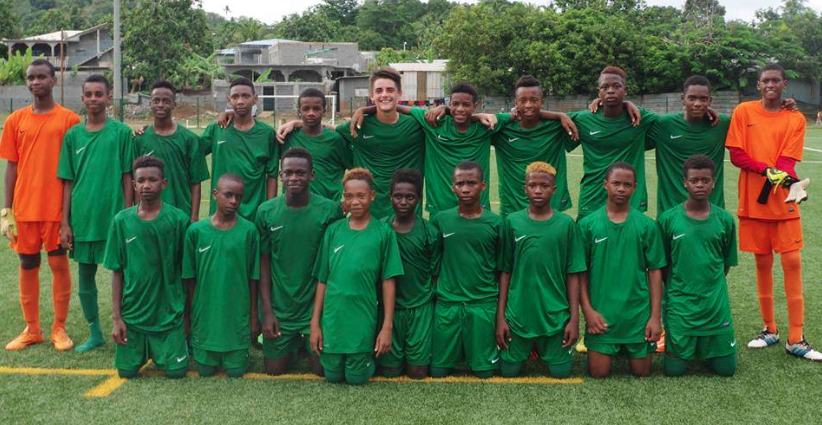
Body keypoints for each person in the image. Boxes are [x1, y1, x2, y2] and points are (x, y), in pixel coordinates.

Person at [726, 63, 821, 361]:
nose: (770, 84)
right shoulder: (743, 112)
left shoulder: (796, 119)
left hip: (784, 204)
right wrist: (766, 171)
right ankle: (769, 329)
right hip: (753, 204)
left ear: (784, 84)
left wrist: (781, 177)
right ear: (758, 85)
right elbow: (737, 155)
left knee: (792, 263)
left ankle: (796, 338)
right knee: (762, 264)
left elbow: (788, 161)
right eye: (765, 80)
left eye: (775, 80)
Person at [1, 59, 80, 351]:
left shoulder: (69, 120)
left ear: (53, 80)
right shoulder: (15, 120)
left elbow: (75, 171)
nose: (36, 82)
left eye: (42, 77)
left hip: (56, 210)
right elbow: (11, 167)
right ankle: (32, 329)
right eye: (31, 77)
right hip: (25, 209)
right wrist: (6, 211)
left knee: (58, 264)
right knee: (27, 264)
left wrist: (68, 215)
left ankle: (59, 328)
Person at [278, 67, 425, 219]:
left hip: (407, 207)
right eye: (379, 90)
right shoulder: (359, 126)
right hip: (370, 209)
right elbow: (333, 128)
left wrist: (365, 109)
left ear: (400, 93)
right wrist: (297, 123)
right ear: (372, 96)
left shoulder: (417, 125)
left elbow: (435, 115)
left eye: (390, 90)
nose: (384, 94)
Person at [57, 74, 135, 352]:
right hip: (83, 219)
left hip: (114, 218)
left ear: (108, 97)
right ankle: (95, 333)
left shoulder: (121, 133)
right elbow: (67, 182)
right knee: (85, 278)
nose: (93, 99)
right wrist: (65, 223)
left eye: (98, 94)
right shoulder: (72, 136)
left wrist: (129, 216)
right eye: (88, 94)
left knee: (125, 275)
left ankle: (128, 327)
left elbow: (128, 176)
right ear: (82, 99)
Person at [310, 168, 403, 385]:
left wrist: (387, 326)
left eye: (361, 196)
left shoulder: (383, 233)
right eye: (349, 196)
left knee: (356, 378)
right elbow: (322, 279)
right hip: (333, 317)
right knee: (332, 376)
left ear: (372, 196)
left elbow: (388, 281)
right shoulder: (333, 231)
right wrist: (315, 323)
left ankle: (368, 362)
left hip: (362, 315)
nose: (355, 202)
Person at [256, 147, 344, 376]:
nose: (294, 178)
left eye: (300, 173)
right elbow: (263, 263)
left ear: (311, 175)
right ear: (280, 175)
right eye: (288, 173)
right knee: (274, 370)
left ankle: (304, 339)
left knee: (322, 371)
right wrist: (267, 311)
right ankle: (294, 344)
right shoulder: (266, 212)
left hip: (315, 308)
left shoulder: (330, 211)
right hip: (281, 308)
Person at [497, 162, 585, 378]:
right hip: (519, 314)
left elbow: (573, 274)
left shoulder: (566, 224)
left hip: (555, 314)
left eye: (544, 186)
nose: (538, 190)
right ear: (524, 188)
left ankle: (543, 347)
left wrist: (574, 319)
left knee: (561, 373)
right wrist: (501, 317)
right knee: (508, 372)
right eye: (532, 185)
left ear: (554, 190)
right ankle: (529, 348)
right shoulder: (512, 222)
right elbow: (505, 271)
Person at [105, 156, 190, 379]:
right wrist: (117, 318)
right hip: (133, 317)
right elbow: (116, 271)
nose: (146, 185)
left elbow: (188, 273)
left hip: (169, 317)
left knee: (177, 373)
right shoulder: (121, 221)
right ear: (134, 185)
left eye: (152, 180)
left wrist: (187, 318)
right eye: (141, 181)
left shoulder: (178, 220)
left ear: (164, 183)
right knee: (125, 373)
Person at [579, 162, 666, 378]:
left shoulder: (647, 225)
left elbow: (655, 272)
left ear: (635, 188)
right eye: (616, 183)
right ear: (605, 184)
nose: (621, 189)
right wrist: (588, 312)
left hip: (637, 317)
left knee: (642, 372)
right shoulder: (588, 225)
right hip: (602, 317)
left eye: (627, 185)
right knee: (598, 373)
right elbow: (580, 273)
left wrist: (655, 317)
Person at [657, 155, 738, 377]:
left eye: (705, 180)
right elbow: (662, 265)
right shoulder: (668, 219)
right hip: (681, 307)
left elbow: (725, 264)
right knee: (673, 371)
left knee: (726, 370)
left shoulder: (725, 220)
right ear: (685, 183)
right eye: (694, 180)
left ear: (713, 182)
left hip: (715, 306)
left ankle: (712, 346)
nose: (700, 185)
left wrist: (710, 285)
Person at [183, 173, 260, 378]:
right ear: (215, 194)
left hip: (236, 317)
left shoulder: (249, 231)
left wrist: (254, 315)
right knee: (205, 370)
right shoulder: (196, 231)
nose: (234, 201)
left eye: (238, 197)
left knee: (236, 371)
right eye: (228, 195)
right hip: (205, 317)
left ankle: (238, 348)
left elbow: (253, 278)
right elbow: (189, 279)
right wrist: (189, 316)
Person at [430, 161, 502, 378]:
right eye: (460, 183)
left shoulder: (497, 223)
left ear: (483, 185)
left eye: (471, 183)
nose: (465, 189)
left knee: (485, 373)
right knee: (438, 371)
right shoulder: (441, 220)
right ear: (452, 187)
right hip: (448, 304)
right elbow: (435, 263)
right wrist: (442, 292)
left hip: (482, 303)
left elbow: (501, 269)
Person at [567, 66, 657, 221]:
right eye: (605, 87)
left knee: (629, 236)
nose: (610, 91)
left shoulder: (640, 118)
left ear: (625, 90)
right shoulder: (583, 120)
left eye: (616, 86)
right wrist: (559, 116)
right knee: (585, 235)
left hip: (629, 199)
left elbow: (675, 122)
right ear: (598, 92)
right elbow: (541, 121)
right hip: (592, 197)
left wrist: (627, 104)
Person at [380, 168, 439, 379]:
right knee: (390, 372)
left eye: (410, 197)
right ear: (390, 197)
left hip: (420, 308)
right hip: (390, 309)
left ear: (419, 199)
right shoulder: (381, 229)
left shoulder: (429, 231)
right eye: (398, 196)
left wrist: (430, 300)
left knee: (418, 373)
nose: (403, 202)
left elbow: (435, 273)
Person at [493, 76, 578, 216]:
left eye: (534, 100)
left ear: (542, 102)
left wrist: (561, 116)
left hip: (550, 207)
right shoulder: (501, 129)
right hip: (512, 208)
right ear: (515, 102)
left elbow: (596, 115)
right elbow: (472, 120)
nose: (528, 105)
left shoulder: (557, 126)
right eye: (523, 100)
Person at [649, 76, 730, 214]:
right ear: (682, 99)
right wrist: (626, 103)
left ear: (710, 101)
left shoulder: (722, 124)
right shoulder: (664, 124)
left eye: (703, 99)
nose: (697, 103)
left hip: (712, 212)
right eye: (692, 98)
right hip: (671, 212)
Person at [201, 77, 278, 221]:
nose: (240, 101)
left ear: (255, 99)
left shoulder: (267, 134)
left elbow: (272, 176)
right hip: (221, 215)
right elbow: (190, 152)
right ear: (229, 100)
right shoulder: (217, 128)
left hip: (254, 214)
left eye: (246, 96)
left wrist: (269, 210)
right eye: (235, 97)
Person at [133, 80, 209, 221]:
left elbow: (196, 183)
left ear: (174, 104)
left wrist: (194, 217)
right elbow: (135, 181)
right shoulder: (139, 139)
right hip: (149, 215)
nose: (161, 105)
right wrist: (138, 213)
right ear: (150, 104)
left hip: (181, 213)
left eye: (166, 101)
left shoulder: (190, 139)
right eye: (156, 101)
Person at [280, 88, 352, 202]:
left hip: (327, 206)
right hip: (293, 205)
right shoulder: (287, 137)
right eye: (306, 109)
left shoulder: (336, 140)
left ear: (324, 111)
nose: (311, 113)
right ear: (299, 111)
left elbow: (355, 170)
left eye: (316, 109)